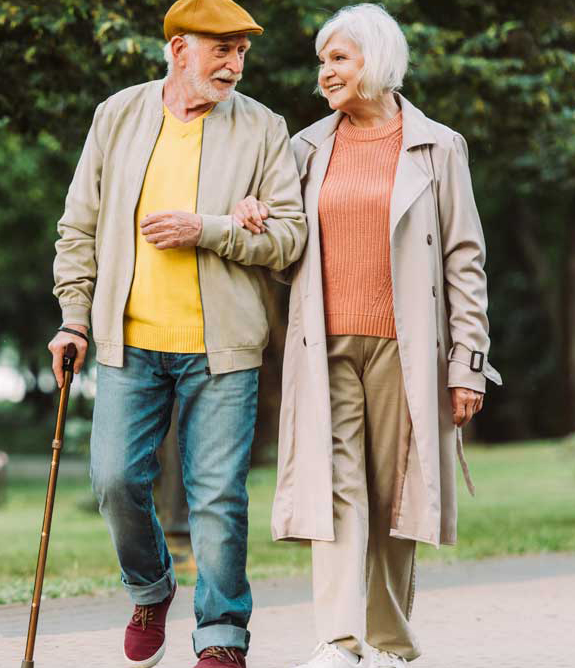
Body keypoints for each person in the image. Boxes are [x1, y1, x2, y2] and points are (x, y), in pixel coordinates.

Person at [230, 5, 501, 667]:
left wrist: (467, 363)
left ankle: (389, 643)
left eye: (339, 60)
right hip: (322, 345)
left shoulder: (439, 146)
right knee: (336, 486)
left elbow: (464, 259)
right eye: (323, 61)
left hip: (407, 349)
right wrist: (250, 212)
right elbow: (281, 237)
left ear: (375, 62)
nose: (325, 73)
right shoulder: (305, 147)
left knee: (395, 495)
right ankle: (339, 639)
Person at [47, 0, 307, 665]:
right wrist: (74, 316)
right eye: (220, 49)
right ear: (178, 49)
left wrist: (210, 229)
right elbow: (78, 226)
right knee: (113, 481)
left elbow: (289, 239)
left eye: (241, 51)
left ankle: (221, 637)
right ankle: (150, 586)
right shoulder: (120, 116)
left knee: (217, 498)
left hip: (223, 351)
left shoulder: (263, 128)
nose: (233, 63)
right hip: (129, 345)